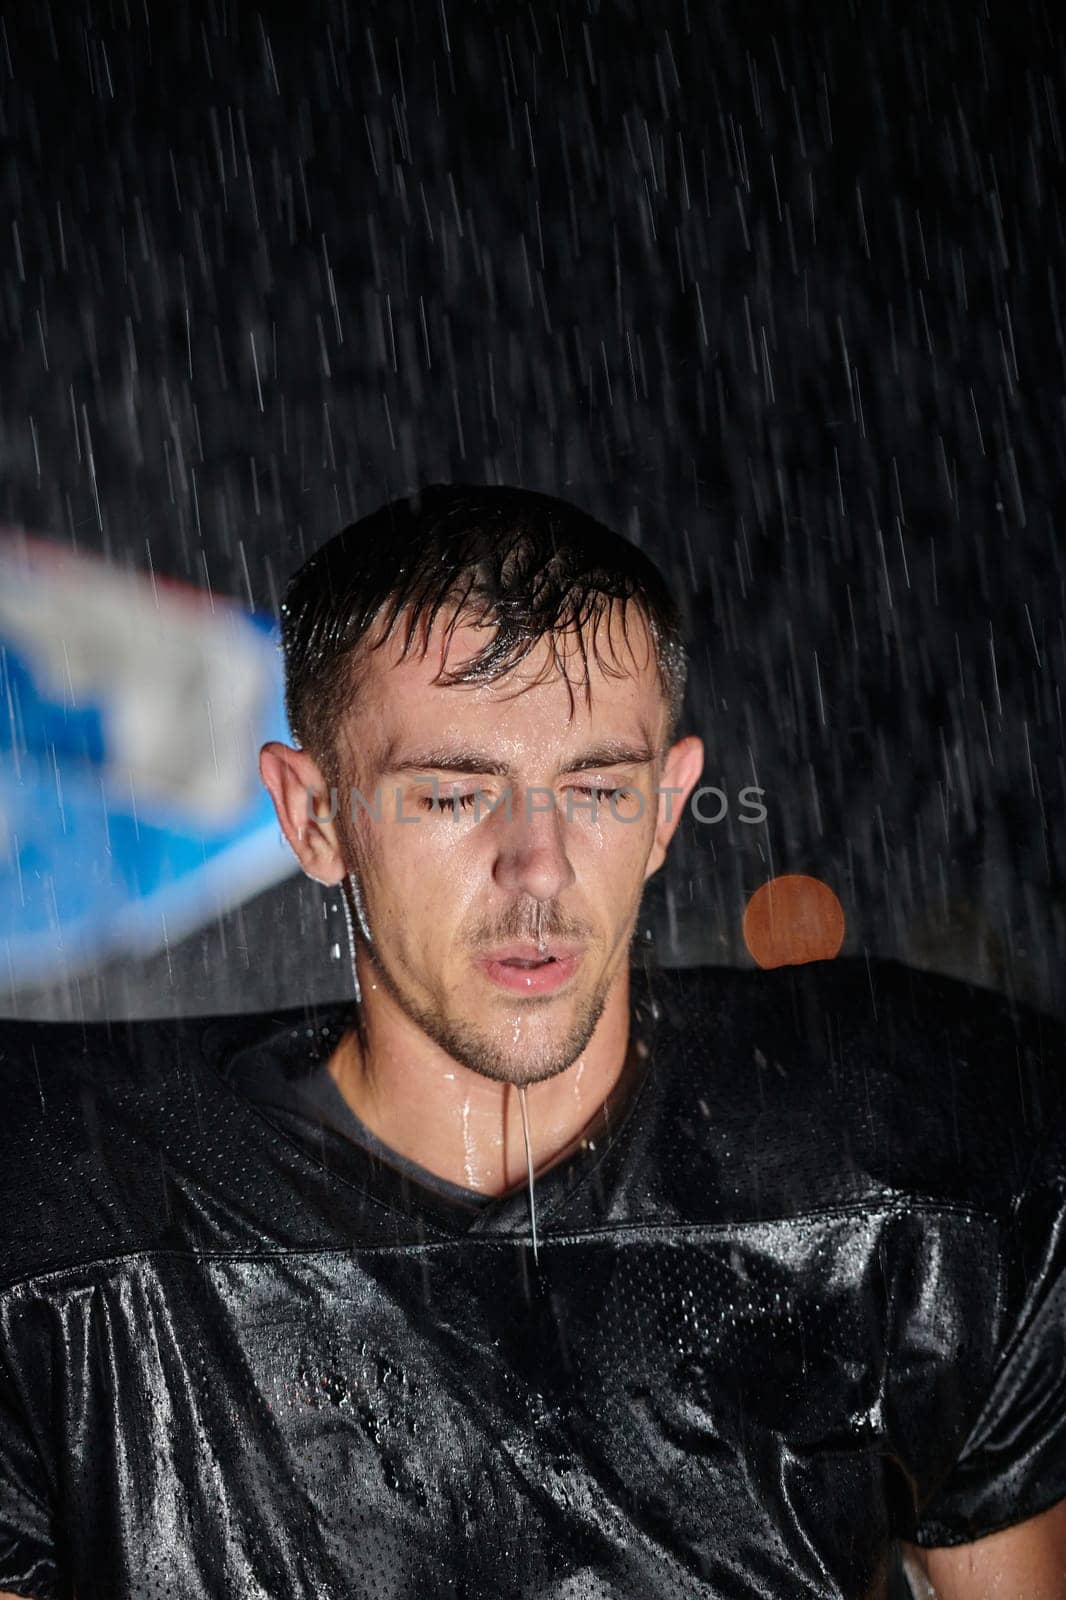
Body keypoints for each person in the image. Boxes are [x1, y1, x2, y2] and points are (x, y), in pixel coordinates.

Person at [0, 483, 1063, 1600]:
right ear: (314, 817)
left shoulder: (914, 1183)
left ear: (665, 807)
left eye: (596, 788)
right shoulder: (67, 1237)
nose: (538, 868)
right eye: (456, 796)